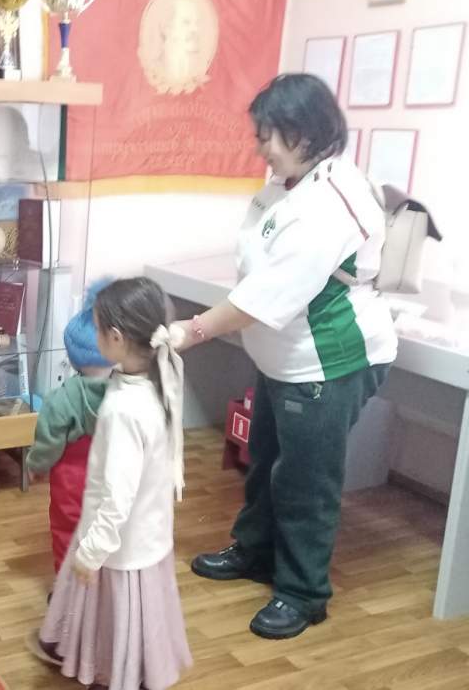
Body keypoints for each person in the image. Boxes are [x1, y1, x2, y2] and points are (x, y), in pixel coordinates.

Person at [175, 73, 397, 640]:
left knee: (305, 482)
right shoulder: (286, 183)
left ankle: (303, 593)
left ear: (309, 131)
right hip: (282, 360)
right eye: (260, 134)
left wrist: (192, 330)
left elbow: (269, 294)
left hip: (325, 363)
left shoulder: (332, 200)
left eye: (271, 135)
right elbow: (258, 265)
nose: (262, 147)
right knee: (265, 460)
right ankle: (254, 551)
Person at [28, 277, 192, 690]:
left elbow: (118, 496)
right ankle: (122, 664)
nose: (95, 334)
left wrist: (91, 551)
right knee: (134, 611)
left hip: (118, 541)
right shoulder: (161, 372)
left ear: (115, 338)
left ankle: (115, 672)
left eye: (98, 327)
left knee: (116, 610)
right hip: (150, 529)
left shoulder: (123, 409)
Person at [26, 279, 113, 574]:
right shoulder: (126, 392)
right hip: (113, 474)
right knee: (108, 528)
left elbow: (48, 440)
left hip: (71, 481)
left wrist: (36, 466)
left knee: (67, 529)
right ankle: (105, 581)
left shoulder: (61, 398)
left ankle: (67, 585)